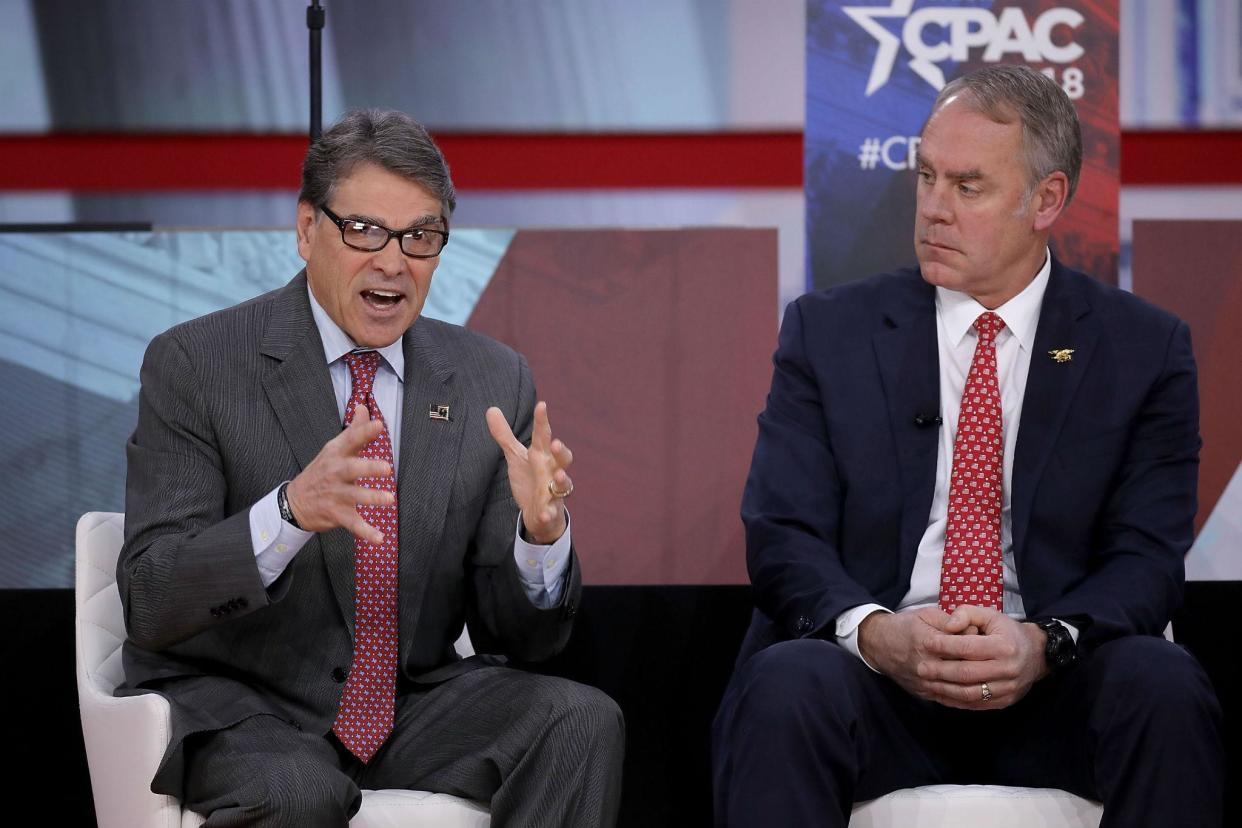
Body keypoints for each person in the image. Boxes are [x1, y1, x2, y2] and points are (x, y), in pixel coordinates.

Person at [712, 66, 1223, 827]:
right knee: (788, 683)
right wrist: (878, 635)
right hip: (875, 685)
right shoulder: (830, 332)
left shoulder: (1142, 348)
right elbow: (783, 533)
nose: (932, 210)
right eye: (926, 176)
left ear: (1046, 200)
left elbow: (1147, 557)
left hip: (1055, 687)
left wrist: (1044, 643)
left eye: (968, 187)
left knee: (1166, 686)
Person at [117, 109, 623, 827]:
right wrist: (289, 513)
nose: (393, 261)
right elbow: (151, 593)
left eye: (420, 236)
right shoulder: (197, 364)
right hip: (246, 706)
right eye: (365, 231)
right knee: (300, 794)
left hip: (410, 703)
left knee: (578, 720)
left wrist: (539, 540)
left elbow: (525, 641)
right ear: (306, 230)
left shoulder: (490, 378)